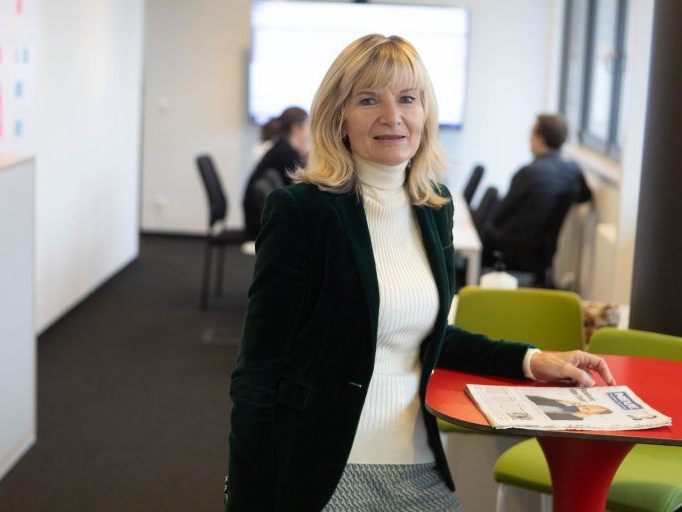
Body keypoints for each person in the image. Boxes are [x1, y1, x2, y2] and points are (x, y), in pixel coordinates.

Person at [224, 35, 615, 512]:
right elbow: (259, 368)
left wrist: (533, 359)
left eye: (408, 98)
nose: (392, 116)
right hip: (327, 467)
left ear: (425, 112)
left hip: (419, 462)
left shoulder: (434, 207)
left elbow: (427, 336)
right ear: (338, 117)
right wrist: (248, 497)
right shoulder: (302, 212)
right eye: (369, 100)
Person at [481, 114, 592, 272]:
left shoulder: (528, 173)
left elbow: (497, 217)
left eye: (531, 134)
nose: (529, 139)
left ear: (540, 139)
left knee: (479, 232)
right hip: (543, 254)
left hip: (510, 248)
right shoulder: (573, 171)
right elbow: (585, 197)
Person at [242, 106, 312, 240]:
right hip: (259, 221)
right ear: (296, 128)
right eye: (307, 125)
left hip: (258, 216)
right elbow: (302, 189)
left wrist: (303, 156)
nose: (309, 131)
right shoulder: (286, 153)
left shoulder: (282, 147)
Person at [526, 395, 612, 421]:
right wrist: (565, 401)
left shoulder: (572, 419)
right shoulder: (560, 404)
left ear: (589, 414)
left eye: (586, 409)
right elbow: (531, 398)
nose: (580, 407)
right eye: (584, 405)